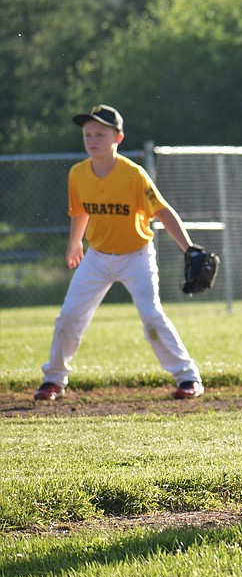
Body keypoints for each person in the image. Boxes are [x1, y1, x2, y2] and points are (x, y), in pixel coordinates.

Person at [34, 104, 206, 401]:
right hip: (97, 257)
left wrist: (188, 248)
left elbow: (162, 212)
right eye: (88, 134)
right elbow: (80, 212)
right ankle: (54, 380)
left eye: (100, 134)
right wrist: (75, 243)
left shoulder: (133, 175)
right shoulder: (78, 174)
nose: (92, 139)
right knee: (69, 317)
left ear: (118, 138)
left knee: (151, 317)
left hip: (136, 256)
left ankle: (188, 377)